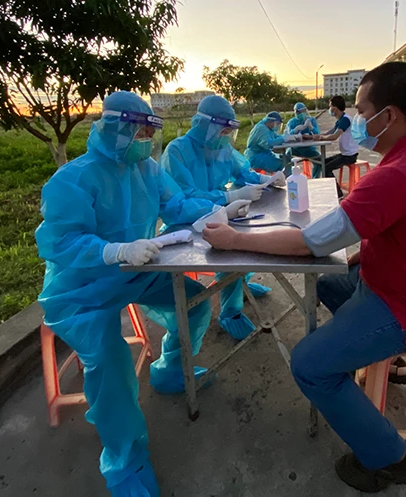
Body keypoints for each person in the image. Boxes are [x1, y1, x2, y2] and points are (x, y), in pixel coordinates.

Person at [201, 62, 406, 493]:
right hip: (392, 283)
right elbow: (393, 229)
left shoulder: (398, 174)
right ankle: (382, 356)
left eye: (362, 111)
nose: (356, 121)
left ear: (390, 115)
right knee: (322, 281)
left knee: (309, 364)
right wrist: (363, 253)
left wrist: (231, 239)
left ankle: (390, 457)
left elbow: (309, 242)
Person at [36, 91, 247, 497]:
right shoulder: (72, 180)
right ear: (114, 127)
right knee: (111, 362)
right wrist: (112, 250)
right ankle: (124, 458)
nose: (146, 139)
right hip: (82, 288)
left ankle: (169, 371)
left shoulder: (148, 168)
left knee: (194, 303)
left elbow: (178, 204)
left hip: (137, 269)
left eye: (151, 130)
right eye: (139, 130)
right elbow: (60, 243)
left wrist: (225, 202)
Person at [161, 95, 285, 340]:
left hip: (221, 212)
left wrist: (267, 179)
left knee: (244, 241)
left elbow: (242, 171)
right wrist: (228, 198)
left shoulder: (222, 146)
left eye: (230, 129)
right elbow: (184, 197)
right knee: (228, 251)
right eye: (223, 128)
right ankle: (231, 312)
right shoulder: (177, 151)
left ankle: (241, 283)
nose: (226, 133)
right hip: (185, 222)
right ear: (204, 124)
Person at [314, 95, 359, 198]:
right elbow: (331, 131)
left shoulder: (346, 120)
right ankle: (329, 189)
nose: (330, 109)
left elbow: (334, 136)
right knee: (323, 162)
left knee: (326, 167)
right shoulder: (341, 119)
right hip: (345, 153)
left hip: (349, 155)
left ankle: (337, 194)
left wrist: (321, 138)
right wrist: (317, 136)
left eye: (330, 106)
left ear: (335, 107)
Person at [286, 102, 322, 177]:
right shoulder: (292, 122)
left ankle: (315, 178)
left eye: (303, 111)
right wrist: (296, 130)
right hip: (295, 149)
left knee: (320, 161)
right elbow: (288, 135)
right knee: (286, 158)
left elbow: (318, 134)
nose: (302, 113)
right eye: (299, 112)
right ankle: (288, 177)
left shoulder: (311, 120)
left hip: (309, 149)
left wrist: (311, 127)